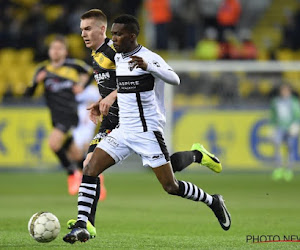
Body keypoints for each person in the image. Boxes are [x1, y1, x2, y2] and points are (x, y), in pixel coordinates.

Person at [63, 13, 231, 244]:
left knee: (171, 186)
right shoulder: (119, 57)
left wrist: (149, 66)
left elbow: (175, 79)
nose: (114, 39)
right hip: (123, 130)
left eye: (118, 34)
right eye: (112, 34)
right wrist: (104, 101)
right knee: (90, 168)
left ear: (131, 36)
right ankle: (83, 224)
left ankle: (213, 200)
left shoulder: (148, 56)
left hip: (147, 131)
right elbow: (122, 86)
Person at [24, 35, 94, 195]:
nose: (56, 51)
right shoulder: (42, 70)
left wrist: (82, 85)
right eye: (53, 48)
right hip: (55, 117)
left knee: (53, 143)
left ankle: (72, 175)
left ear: (65, 52)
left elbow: (93, 72)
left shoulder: (74, 66)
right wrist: (36, 82)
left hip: (69, 113)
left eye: (59, 48)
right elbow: (28, 94)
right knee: (75, 153)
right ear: (49, 51)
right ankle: (94, 176)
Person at [270, 84, 300, 181]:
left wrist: (296, 125)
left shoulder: (294, 102)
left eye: (286, 90)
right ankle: (278, 168)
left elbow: (297, 115)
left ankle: (289, 170)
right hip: (279, 127)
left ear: (289, 91)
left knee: (290, 147)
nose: (284, 92)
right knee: (277, 145)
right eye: (283, 90)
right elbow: (273, 115)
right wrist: (272, 127)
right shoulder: (276, 102)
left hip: (290, 127)